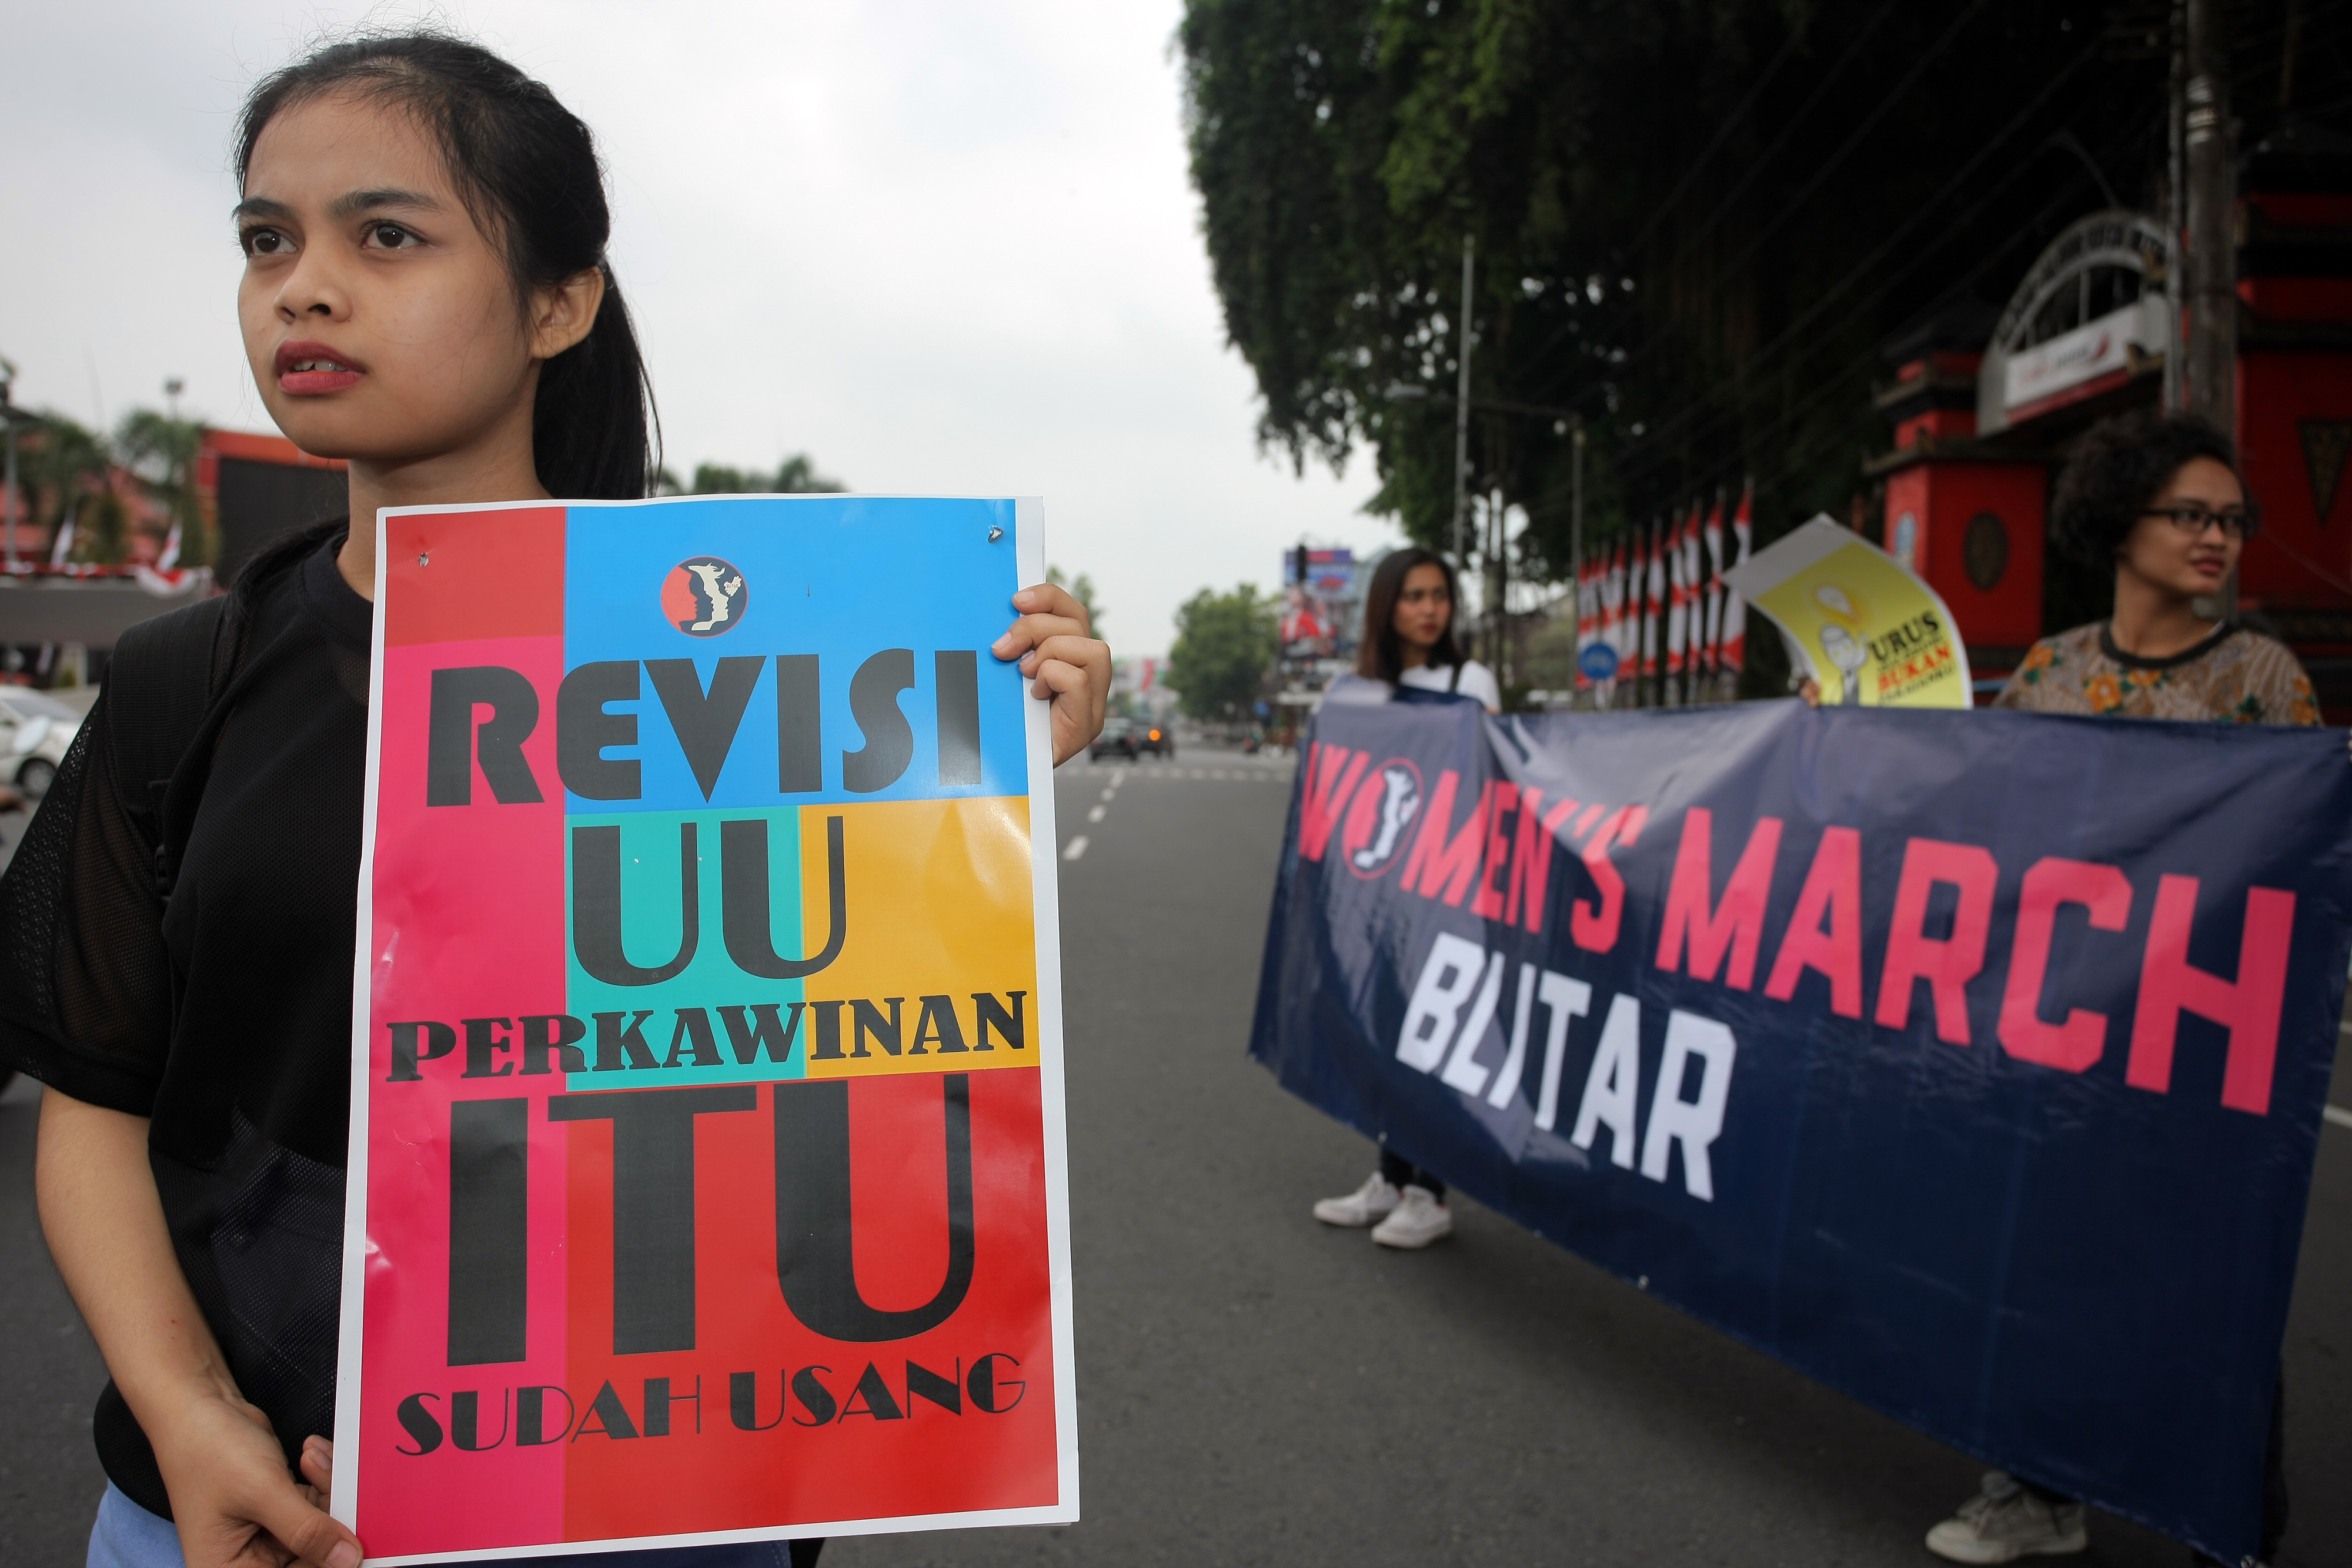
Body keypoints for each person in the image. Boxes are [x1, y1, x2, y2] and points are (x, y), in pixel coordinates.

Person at [0, 33, 1110, 1568]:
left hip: (664, 1509)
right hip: (235, 1519)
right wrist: (191, 1418)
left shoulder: (776, 663)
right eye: (269, 240)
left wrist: (979, 763)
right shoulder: (184, 683)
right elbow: (96, 1104)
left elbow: (844, 1044)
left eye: (385, 235)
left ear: (557, 301)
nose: (302, 287)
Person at [1925, 410, 2307, 1566]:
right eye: (2187, 514)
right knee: (2039, 1258)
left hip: (2198, 1035)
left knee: (2210, 1280)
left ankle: (2234, 1525)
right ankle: (2033, 1489)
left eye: (2230, 520)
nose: (2215, 538)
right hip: (2059, 1027)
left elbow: (2289, 856)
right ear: (2119, 521)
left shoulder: (2260, 677)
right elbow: (1980, 825)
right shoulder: (2050, 668)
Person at [1310, 547, 1501, 1250]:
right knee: (1382, 1033)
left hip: (1446, 889)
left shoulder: (1467, 679)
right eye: (1415, 595)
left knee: (1432, 1039)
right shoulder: (1358, 688)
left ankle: (1431, 1192)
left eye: (1440, 595)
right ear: (1386, 605)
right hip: (1378, 893)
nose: (1429, 609)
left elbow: (1490, 774)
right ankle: (1389, 1178)